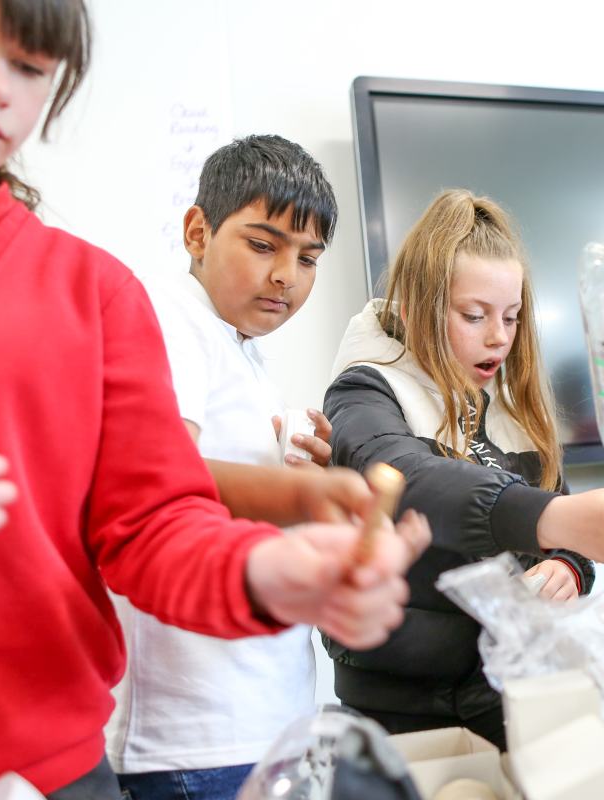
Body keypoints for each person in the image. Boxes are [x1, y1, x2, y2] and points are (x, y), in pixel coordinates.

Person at [0, 2, 421, 797]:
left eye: (30, 66)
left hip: (50, 775)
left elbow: (152, 522)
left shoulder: (94, 294)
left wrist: (261, 572)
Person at [323, 188, 604, 748]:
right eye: (474, 316)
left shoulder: (510, 409)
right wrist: (556, 519)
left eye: (512, 317)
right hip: (402, 712)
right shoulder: (366, 390)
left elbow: (566, 538)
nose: (498, 336)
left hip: (511, 696)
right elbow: (407, 480)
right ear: (416, 307)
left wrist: (568, 566)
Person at [107, 135, 407, 800]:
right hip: (197, 732)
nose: (286, 276)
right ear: (197, 231)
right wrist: (295, 494)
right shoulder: (172, 320)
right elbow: (152, 481)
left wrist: (295, 470)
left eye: (308, 258)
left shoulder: (239, 350)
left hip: (255, 719)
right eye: (263, 244)